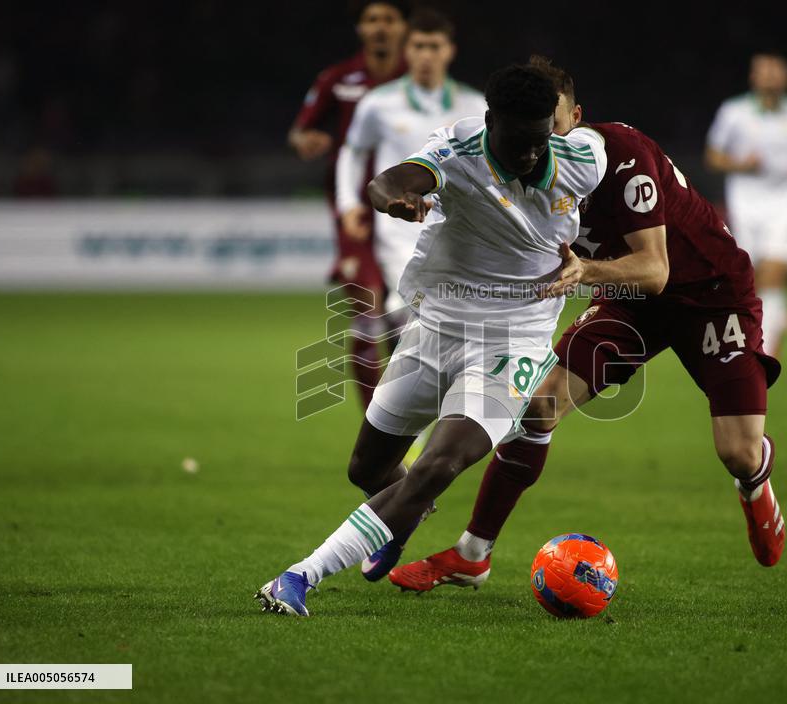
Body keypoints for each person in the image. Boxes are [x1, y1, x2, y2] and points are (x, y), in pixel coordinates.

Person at [389, 56, 785, 595]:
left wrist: (585, 272)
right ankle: (472, 554)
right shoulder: (521, 165)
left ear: (575, 116)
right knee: (539, 405)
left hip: (711, 296)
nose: (537, 141)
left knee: (737, 450)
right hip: (628, 303)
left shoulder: (621, 157)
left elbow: (654, 269)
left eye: (550, 126)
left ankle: (755, 478)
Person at [256, 63, 607, 616]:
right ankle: (405, 511)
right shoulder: (459, 148)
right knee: (369, 472)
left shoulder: (582, 159)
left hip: (515, 338)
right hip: (436, 328)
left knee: (439, 465)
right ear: (492, 123)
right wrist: (397, 201)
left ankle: (299, 576)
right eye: (519, 140)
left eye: (542, 140)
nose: (532, 155)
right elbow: (388, 182)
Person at [289, 0, 408, 408]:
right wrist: (306, 141)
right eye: (372, 19)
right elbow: (301, 131)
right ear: (360, 28)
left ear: (403, 28)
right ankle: (375, 429)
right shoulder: (338, 79)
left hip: (409, 213)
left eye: (388, 20)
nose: (380, 27)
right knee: (367, 306)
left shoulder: (419, 83)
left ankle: (400, 423)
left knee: (403, 319)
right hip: (355, 213)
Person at [337, 8, 486, 330]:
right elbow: (352, 152)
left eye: (434, 46)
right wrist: (348, 205)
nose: (426, 55)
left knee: (434, 310)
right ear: (407, 50)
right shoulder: (378, 103)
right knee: (416, 305)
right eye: (418, 46)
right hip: (399, 226)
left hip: (456, 225)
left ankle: (403, 342)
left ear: (449, 51)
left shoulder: (475, 107)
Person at [705, 52, 787, 357]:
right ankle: (775, 319)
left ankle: (766, 350)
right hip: (746, 199)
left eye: (777, 70)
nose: (771, 76)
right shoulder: (733, 111)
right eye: (765, 71)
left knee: (774, 273)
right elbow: (713, 157)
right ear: (753, 77)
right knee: (750, 277)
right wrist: (740, 164)